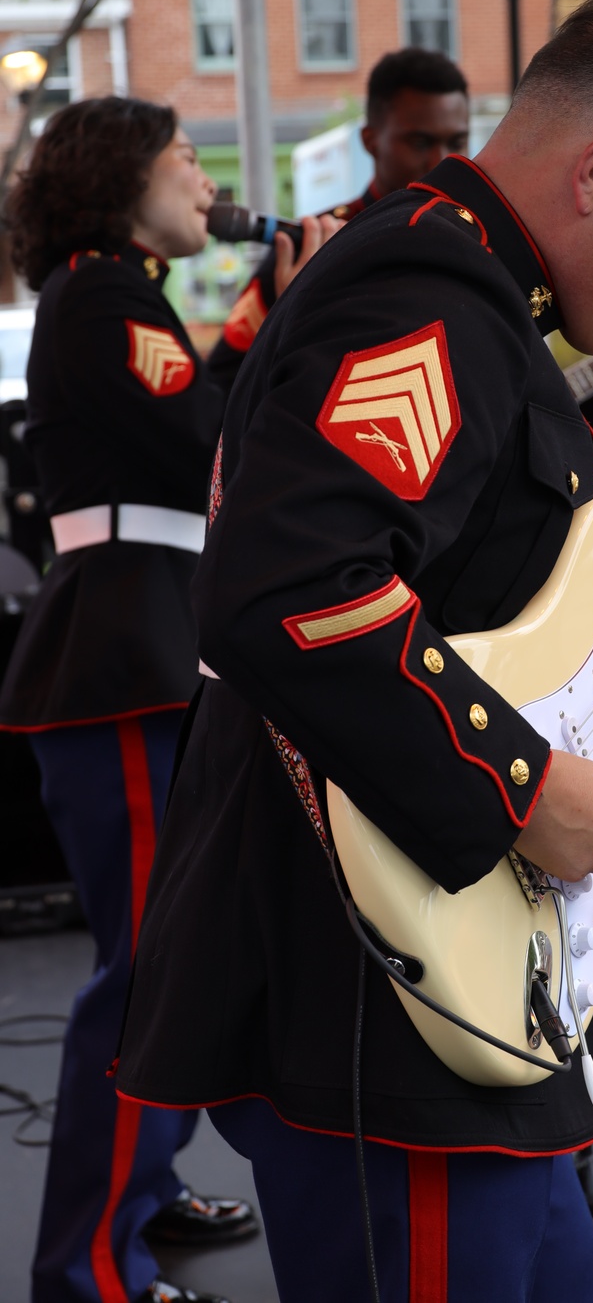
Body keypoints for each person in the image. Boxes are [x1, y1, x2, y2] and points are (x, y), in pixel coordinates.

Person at [114, 0, 593, 1302]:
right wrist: (523, 788)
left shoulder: (481, 302)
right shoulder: (424, 300)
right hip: (377, 1004)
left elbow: (448, 616)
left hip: (448, 1009)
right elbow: (289, 592)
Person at [0, 96, 334, 1303]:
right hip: (121, 656)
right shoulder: (103, 296)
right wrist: (278, 306)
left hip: (145, 645)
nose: (206, 181)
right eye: (186, 158)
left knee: (174, 950)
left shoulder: (114, 293)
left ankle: (143, 1198)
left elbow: (200, 426)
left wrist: (260, 314)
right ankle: (87, 1270)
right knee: (144, 970)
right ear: (117, 174)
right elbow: (210, 443)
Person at [211, 45, 470, 373]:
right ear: (370, 141)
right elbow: (225, 383)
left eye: (457, 143)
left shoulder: (483, 243)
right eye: (420, 143)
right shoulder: (310, 246)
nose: (441, 162)